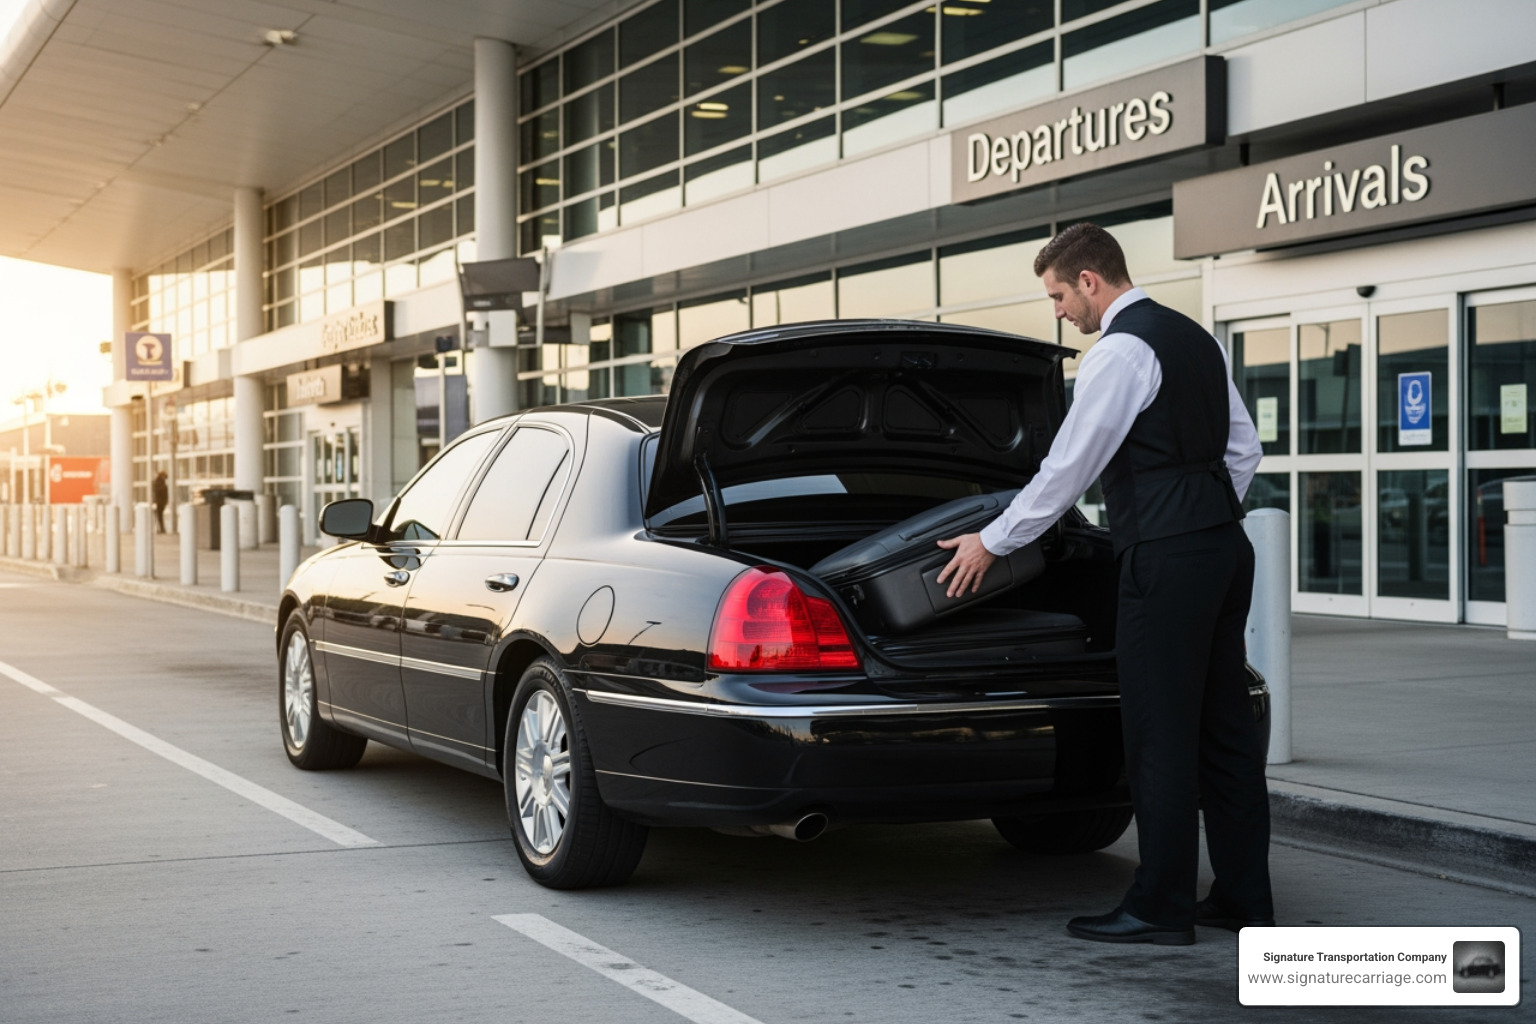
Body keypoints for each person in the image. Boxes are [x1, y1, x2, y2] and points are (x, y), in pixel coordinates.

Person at [936, 222, 1273, 946]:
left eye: (1059, 295)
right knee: (1225, 732)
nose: (1059, 311)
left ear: (1090, 281)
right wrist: (1202, 510)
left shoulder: (1118, 353)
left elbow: (1067, 469)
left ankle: (1160, 907)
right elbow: (1245, 448)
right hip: (1222, 547)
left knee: (1158, 733)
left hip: (1166, 558)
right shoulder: (1193, 338)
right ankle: (1244, 898)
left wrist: (992, 542)